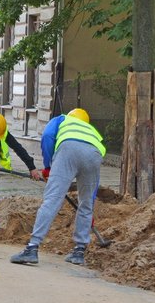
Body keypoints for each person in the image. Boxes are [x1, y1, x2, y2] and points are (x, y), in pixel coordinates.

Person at [10, 108, 105, 266]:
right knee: (86, 203)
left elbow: (47, 136)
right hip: (94, 155)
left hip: (68, 150)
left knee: (52, 199)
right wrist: (90, 203)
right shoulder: (91, 130)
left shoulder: (61, 119)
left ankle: (32, 248)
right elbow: (95, 173)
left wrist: (48, 166)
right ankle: (79, 251)